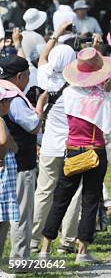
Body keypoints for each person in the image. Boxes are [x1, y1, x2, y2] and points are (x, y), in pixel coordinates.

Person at [40, 47, 111, 263]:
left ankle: (45, 248)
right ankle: (82, 251)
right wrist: (108, 93)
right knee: (90, 200)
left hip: (73, 149)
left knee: (60, 199)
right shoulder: (103, 97)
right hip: (95, 150)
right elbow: (108, 127)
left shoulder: (68, 93)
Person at [30, 22, 81, 254]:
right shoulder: (79, 85)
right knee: (72, 194)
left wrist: (56, 34)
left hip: (50, 145)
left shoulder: (44, 79)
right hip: (72, 147)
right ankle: (67, 241)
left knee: (44, 193)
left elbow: (42, 58)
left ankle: (33, 238)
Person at [0, 55, 41, 261]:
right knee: (21, 215)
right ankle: (20, 259)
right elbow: (33, 125)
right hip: (19, 163)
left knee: (4, 216)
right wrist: (41, 103)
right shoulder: (13, 98)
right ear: (20, 76)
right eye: (27, 76)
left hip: (5, 164)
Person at [0, 87, 20, 261]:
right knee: (1, 223)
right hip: (3, 177)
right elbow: (3, 140)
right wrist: (1, 157)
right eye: (7, 100)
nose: (9, 103)